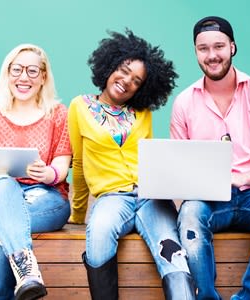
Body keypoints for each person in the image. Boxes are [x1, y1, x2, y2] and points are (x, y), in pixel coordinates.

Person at [172, 16, 250, 300]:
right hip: (209, 199)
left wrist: (242, 178)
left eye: (219, 46)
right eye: (203, 49)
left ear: (233, 47)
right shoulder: (184, 102)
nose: (212, 55)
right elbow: (179, 166)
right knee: (189, 215)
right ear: (195, 52)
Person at [68, 30, 194, 299]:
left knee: (172, 252)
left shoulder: (143, 113)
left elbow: (151, 159)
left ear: (143, 88)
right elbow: (78, 163)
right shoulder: (80, 106)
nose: (126, 81)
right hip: (112, 197)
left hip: (151, 197)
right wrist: (78, 213)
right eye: (123, 71)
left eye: (136, 81)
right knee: (99, 231)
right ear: (110, 66)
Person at [0, 44, 70, 300]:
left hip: (45, 197)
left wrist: (48, 174)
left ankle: (8, 292)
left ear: (44, 76)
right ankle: (28, 270)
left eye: (33, 71)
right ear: (7, 73)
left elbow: (61, 166)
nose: (24, 78)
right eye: (18, 70)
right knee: (2, 182)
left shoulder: (58, 114)